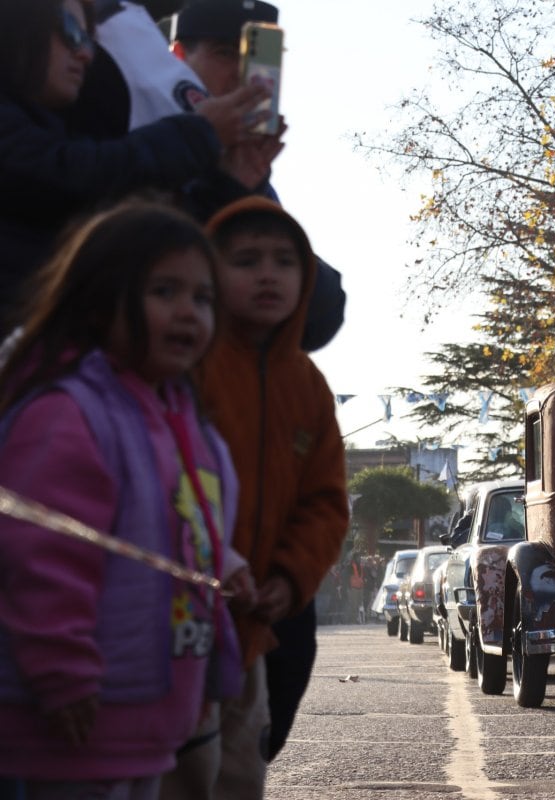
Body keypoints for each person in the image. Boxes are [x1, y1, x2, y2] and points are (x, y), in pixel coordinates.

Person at [0, 202, 254, 798]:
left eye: (203, 297)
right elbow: (42, 555)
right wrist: (62, 672)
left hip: (151, 715)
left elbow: (174, 528)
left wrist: (229, 566)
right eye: (164, 290)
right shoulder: (69, 414)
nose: (188, 312)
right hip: (74, 720)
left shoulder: (179, 419)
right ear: (96, 298)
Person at [160, 196, 348, 798]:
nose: (268, 274)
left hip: (265, 619)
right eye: (245, 260)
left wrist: (292, 578)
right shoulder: (187, 366)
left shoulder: (309, 386)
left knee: (243, 770)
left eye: (284, 262)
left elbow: (326, 501)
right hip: (180, 616)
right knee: (180, 773)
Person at [0, 0, 271, 333]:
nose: (86, 53)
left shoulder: (55, 131)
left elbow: (155, 239)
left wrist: (231, 187)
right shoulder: (48, 145)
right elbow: (69, 178)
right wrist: (200, 134)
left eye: (89, 38)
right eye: (72, 33)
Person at [162, 0, 345, 353]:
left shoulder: (250, 173)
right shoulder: (147, 144)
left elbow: (321, 316)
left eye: (258, 60)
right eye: (226, 53)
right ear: (179, 55)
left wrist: (249, 191)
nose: (243, 75)